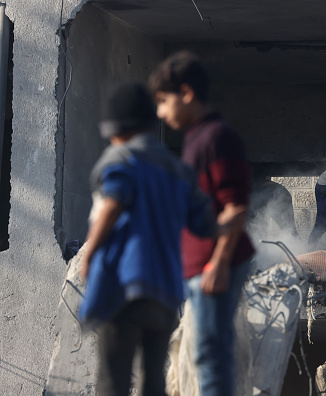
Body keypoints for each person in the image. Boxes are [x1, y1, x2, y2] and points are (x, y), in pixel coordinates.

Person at [78, 82, 240, 396]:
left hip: (124, 288)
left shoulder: (123, 159)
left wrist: (90, 252)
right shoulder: (179, 171)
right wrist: (228, 224)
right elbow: (206, 225)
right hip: (165, 293)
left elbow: (112, 203)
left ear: (117, 128)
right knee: (154, 381)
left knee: (114, 379)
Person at [149, 51, 254, 396]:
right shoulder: (197, 138)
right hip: (201, 265)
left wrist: (218, 264)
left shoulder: (215, 138)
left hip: (215, 264)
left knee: (210, 354)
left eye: (164, 102)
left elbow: (235, 207)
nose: (161, 112)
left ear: (187, 93)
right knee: (202, 352)